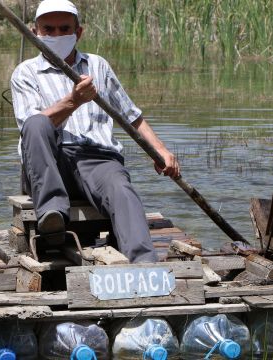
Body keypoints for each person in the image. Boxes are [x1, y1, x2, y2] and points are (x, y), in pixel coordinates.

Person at [10, 0, 180, 263]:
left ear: (78, 33)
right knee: (36, 123)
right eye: (49, 30)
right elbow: (29, 128)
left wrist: (161, 150)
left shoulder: (97, 66)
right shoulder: (25, 73)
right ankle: (52, 214)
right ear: (36, 33)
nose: (56, 35)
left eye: (64, 29)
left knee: (122, 191)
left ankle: (146, 266)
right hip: (49, 163)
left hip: (97, 159)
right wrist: (74, 100)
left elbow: (131, 116)